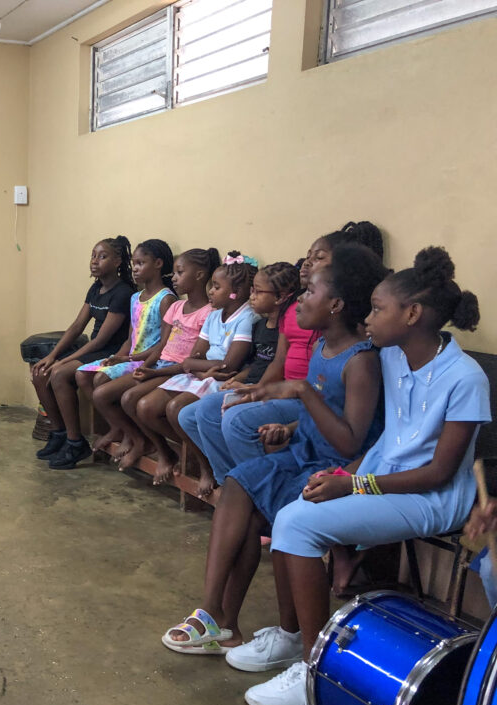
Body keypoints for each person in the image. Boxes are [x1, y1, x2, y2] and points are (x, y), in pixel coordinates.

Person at [243, 246, 489, 705]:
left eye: (378, 309)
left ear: (412, 314)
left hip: (434, 498)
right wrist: (348, 474)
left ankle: (314, 672)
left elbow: (438, 473)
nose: (369, 318)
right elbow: (387, 440)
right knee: (291, 510)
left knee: (296, 524)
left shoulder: (465, 378)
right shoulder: (393, 358)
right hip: (384, 480)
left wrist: (353, 487)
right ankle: (295, 643)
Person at [160, 245, 388, 662]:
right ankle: (215, 615)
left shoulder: (362, 361)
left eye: (311, 292)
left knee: (248, 505)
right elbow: (325, 414)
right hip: (303, 452)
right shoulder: (324, 346)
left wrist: (300, 391)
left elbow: (352, 441)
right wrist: (290, 426)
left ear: (336, 305)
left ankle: (227, 620)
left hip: (333, 470)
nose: (300, 298)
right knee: (237, 485)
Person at [211, 222, 385, 477]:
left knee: (238, 424)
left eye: (319, 258)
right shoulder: (320, 340)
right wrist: (268, 398)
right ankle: (239, 483)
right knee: (235, 473)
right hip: (306, 431)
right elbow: (283, 365)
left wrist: (294, 390)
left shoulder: (360, 357)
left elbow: (347, 433)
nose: (306, 262)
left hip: (329, 457)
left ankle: (266, 494)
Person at [127, 253, 258, 486]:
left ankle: (206, 466)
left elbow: (229, 365)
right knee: (146, 407)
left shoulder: (246, 317)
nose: (211, 292)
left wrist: (198, 365)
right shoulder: (215, 314)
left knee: (176, 408)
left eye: (216, 287)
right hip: (200, 375)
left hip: (219, 380)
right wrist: (199, 368)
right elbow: (193, 358)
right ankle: (189, 455)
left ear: (234, 291)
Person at [177, 262, 301, 493]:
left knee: (228, 415)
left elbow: (277, 367)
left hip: (270, 389)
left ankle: (252, 484)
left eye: (257, 291)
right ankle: (229, 477)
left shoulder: (283, 325)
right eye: (251, 289)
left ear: (280, 297)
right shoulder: (262, 324)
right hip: (252, 383)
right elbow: (256, 363)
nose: (251, 297)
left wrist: (256, 390)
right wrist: (242, 379)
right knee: (188, 416)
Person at [97, 248, 217, 467]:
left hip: (179, 371)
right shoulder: (177, 307)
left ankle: (173, 451)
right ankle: (152, 445)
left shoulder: (209, 313)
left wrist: (153, 371)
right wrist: (143, 366)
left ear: (199, 275)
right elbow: (163, 345)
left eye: (180, 273)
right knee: (116, 395)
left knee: (136, 401)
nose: (174, 278)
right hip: (161, 365)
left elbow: (192, 359)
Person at [32, 236, 134, 469]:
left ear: (118, 261)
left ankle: (75, 442)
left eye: (103, 256)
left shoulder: (122, 292)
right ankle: (58, 433)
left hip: (109, 351)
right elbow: (77, 326)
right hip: (93, 348)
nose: (95, 261)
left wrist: (63, 361)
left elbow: (101, 340)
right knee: (40, 373)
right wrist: (52, 356)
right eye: (93, 255)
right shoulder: (96, 288)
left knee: (58, 374)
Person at [77, 239, 176, 456]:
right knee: (83, 375)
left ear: (158, 264)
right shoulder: (135, 298)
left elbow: (164, 344)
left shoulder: (166, 299)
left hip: (150, 362)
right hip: (131, 358)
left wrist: (137, 363)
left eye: (141, 263)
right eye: (134, 263)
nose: (135, 269)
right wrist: (117, 357)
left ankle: (135, 437)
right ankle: (119, 429)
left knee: (101, 387)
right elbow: (130, 340)